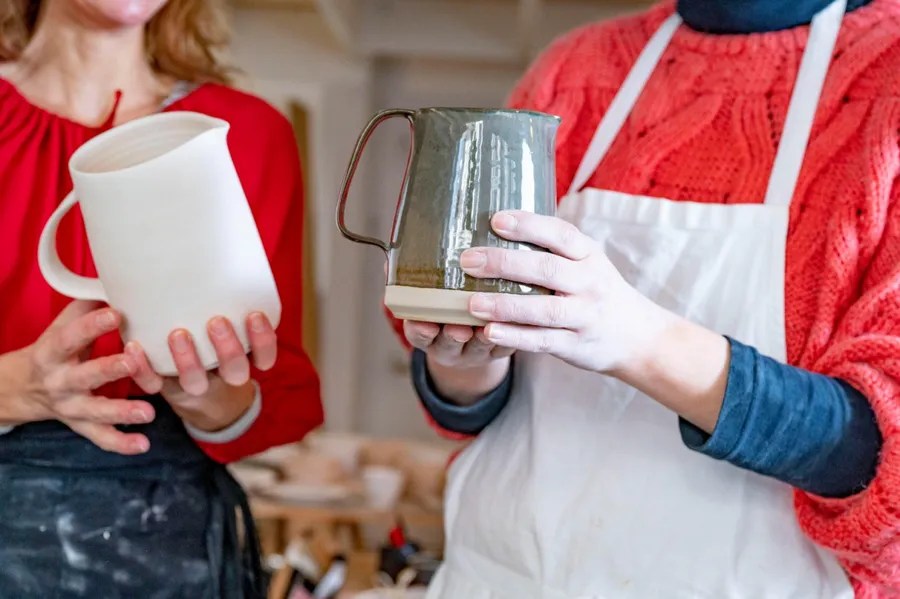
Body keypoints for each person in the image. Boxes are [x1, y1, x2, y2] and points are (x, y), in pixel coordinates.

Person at [389, 0, 900, 596]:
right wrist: (465, 365)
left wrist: (638, 340)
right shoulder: (575, 69)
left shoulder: (885, 78)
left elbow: (878, 456)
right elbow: (479, 407)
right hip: (509, 574)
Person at [0, 0, 322, 597]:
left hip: (174, 551)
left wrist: (212, 398)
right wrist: (14, 388)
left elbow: (274, 390)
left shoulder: (248, 136)